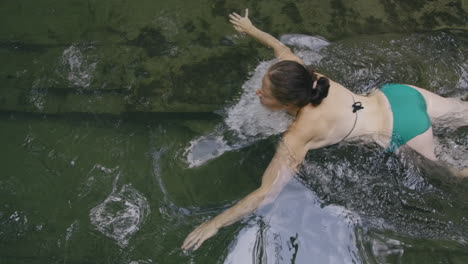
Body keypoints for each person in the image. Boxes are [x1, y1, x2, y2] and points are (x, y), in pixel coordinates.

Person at [181, 8, 468, 251]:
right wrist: (250, 28)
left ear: (286, 104)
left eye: (265, 93)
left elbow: (266, 194)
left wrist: (215, 224)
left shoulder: (298, 134)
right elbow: (281, 49)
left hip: (403, 130)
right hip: (399, 96)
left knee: (452, 174)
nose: (258, 94)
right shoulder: (304, 76)